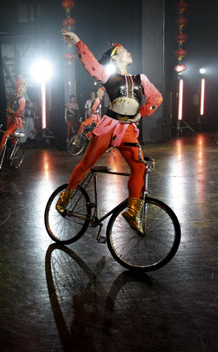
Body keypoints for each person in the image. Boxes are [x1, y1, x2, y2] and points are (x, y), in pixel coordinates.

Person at [57, 29, 163, 235]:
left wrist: (140, 114)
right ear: (115, 57)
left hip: (127, 130)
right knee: (87, 163)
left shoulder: (141, 79)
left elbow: (156, 98)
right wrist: (78, 41)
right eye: (124, 50)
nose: (129, 52)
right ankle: (66, 197)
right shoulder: (109, 76)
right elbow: (92, 65)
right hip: (109, 125)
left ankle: (132, 212)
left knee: (139, 168)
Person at [0, 75, 27, 162]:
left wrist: (12, 112)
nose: (21, 89)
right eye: (20, 87)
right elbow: (9, 108)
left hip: (16, 120)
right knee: (10, 136)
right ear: (17, 88)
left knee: (6, 134)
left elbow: (20, 111)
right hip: (9, 119)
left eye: (23, 87)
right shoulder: (14, 98)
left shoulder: (22, 99)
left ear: (25, 89)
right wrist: (8, 111)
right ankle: (16, 147)